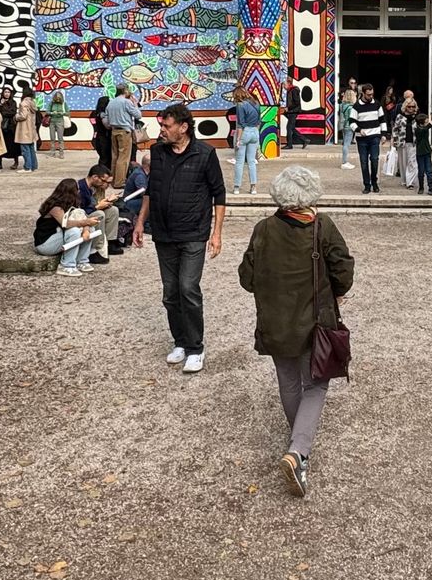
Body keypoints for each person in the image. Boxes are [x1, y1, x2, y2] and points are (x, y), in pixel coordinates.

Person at [237, 166, 353, 498]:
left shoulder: (263, 229)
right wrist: (338, 289)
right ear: (311, 195)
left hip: (274, 321)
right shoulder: (321, 227)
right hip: (314, 320)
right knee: (316, 383)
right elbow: (343, 268)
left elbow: (247, 277)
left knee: (288, 380)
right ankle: (298, 450)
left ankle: (297, 441)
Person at [131, 103, 227, 375]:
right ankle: (181, 342)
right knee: (171, 292)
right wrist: (140, 221)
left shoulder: (205, 154)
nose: (161, 130)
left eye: (166, 126)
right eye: (161, 125)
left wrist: (216, 233)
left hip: (194, 233)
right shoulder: (157, 153)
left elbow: (218, 195)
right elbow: (151, 189)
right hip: (163, 232)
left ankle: (196, 347)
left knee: (188, 287)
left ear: (183, 128)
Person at [34, 179, 100, 278]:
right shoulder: (55, 207)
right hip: (46, 243)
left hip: (59, 237)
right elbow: (65, 224)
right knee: (74, 231)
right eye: (77, 189)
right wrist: (85, 222)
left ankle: (81, 261)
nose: (79, 192)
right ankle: (66, 265)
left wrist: (86, 229)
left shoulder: (73, 203)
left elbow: (83, 217)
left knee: (90, 230)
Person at [76, 164, 122, 265]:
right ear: (95, 177)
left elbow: (95, 204)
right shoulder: (80, 188)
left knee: (113, 210)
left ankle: (111, 242)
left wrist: (106, 202)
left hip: (89, 211)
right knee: (99, 213)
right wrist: (98, 206)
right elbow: (79, 211)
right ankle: (96, 248)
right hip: (81, 217)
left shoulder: (95, 187)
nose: (106, 185)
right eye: (104, 181)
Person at [351, 84, 386, 193]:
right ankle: (367, 184)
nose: (370, 96)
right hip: (362, 138)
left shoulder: (377, 104)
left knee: (375, 160)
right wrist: (358, 130)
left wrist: (383, 134)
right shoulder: (356, 106)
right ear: (363, 93)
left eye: (372, 94)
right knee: (364, 162)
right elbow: (351, 122)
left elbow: (382, 119)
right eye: (368, 94)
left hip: (375, 136)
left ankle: (374, 181)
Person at [105, 85, 143, 185]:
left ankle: (112, 179)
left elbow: (107, 118)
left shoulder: (111, 102)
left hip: (114, 131)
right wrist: (135, 104)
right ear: (125, 90)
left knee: (115, 156)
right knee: (123, 157)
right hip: (124, 131)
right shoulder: (126, 102)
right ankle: (119, 182)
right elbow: (138, 115)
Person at [229, 89, 263, 195]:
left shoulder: (240, 105)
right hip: (255, 132)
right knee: (251, 161)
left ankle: (236, 187)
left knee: (239, 162)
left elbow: (240, 124)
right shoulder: (256, 103)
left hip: (244, 132)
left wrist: (238, 140)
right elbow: (259, 121)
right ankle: (253, 187)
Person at [390, 94, 421, 191]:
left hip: (414, 142)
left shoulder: (418, 117)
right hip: (402, 142)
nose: (411, 108)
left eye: (413, 106)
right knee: (403, 163)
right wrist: (394, 140)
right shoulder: (400, 116)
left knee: (412, 162)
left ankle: (410, 182)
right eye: (409, 106)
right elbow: (395, 129)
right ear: (405, 106)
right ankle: (405, 180)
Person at [12, 95, 40, 173]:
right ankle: (34, 165)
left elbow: (23, 116)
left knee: (25, 149)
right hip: (31, 129)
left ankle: (27, 167)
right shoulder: (32, 103)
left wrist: (16, 116)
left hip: (24, 129)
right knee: (31, 148)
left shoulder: (23, 103)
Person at [0, 87, 22, 170]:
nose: (7, 94)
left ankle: (16, 162)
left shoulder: (13, 102)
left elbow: (13, 112)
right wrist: (1, 105)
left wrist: (4, 111)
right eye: (5, 92)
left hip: (11, 127)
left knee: (14, 145)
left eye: (8, 92)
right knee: (1, 145)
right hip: (1, 127)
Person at [336, 82, 356, 169]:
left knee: (345, 144)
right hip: (349, 126)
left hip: (344, 126)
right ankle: (344, 162)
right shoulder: (351, 107)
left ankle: (344, 161)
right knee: (346, 145)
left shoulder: (342, 105)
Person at [44, 89, 70, 157]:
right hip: (52, 122)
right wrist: (52, 113)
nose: (58, 100)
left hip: (60, 121)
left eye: (59, 98)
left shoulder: (64, 104)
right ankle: (53, 152)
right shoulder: (51, 103)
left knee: (60, 138)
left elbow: (68, 113)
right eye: (57, 98)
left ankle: (61, 153)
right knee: (52, 138)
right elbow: (47, 111)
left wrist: (62, 113)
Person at [90, 96, 113, 171]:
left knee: (103, 158)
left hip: (98, 138)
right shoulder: (103, 114)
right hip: (105, 138)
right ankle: (103, 172)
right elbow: (107, 126)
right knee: (106, 158)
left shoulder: (95, 113)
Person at [284, 83, 307, 151]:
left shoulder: (293, 90)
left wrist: (288, 108)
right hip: (292, 111)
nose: (283, 87)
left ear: (288, 84)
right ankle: (305, 140)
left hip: (293, 112)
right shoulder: (291, 90)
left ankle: (289, 145)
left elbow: (296, 102)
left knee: (289, 128)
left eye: (284, 85)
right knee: (292, 128)